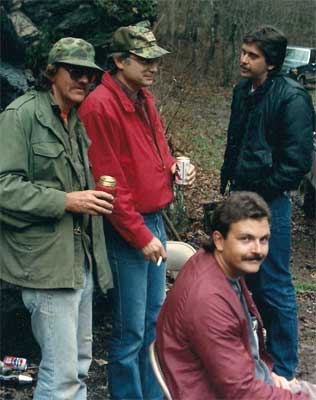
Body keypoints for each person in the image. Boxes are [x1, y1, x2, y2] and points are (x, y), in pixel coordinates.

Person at [79, 21, 196, 400]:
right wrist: (140, 235)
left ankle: (153, 393)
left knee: (153, 323)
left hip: (154, 222)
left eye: (154, 60)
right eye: (143, 59)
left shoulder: (143, 98)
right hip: (127, 230)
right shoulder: (100, 105)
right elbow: (109, 183)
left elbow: (153, 155)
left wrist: (176, 166)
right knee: (130, 330)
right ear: (119, 61)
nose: (153, 67)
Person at [0, 37, 114, 399]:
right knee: (61, 373)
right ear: (53, 72)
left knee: (78, 366)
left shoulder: (74, 120)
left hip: (78, 261)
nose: (83, 80)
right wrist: (64, 201)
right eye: (74, 72)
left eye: (89, 75)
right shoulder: (21, 115)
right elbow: (3, 186)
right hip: (45, 264)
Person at [220, 26, 314, 380]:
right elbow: (236, 141)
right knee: (245, 280)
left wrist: (263, 191)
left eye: (253, 55)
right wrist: (228, 181)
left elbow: (297, 163)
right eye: (243, 52)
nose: (244, 60)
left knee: (274, 283)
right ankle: (256, 358)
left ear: (271, 62)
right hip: (241, 197)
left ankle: (285, 367)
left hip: (271, 203)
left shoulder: (292, 98)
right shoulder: (243, 90)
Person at [156, 192, 316, 400]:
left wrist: (267, 375)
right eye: (246, 239)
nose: (257, 250)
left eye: (264, 239)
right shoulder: (209, 300)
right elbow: (242, 393)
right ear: (219, 240)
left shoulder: (218, 264)